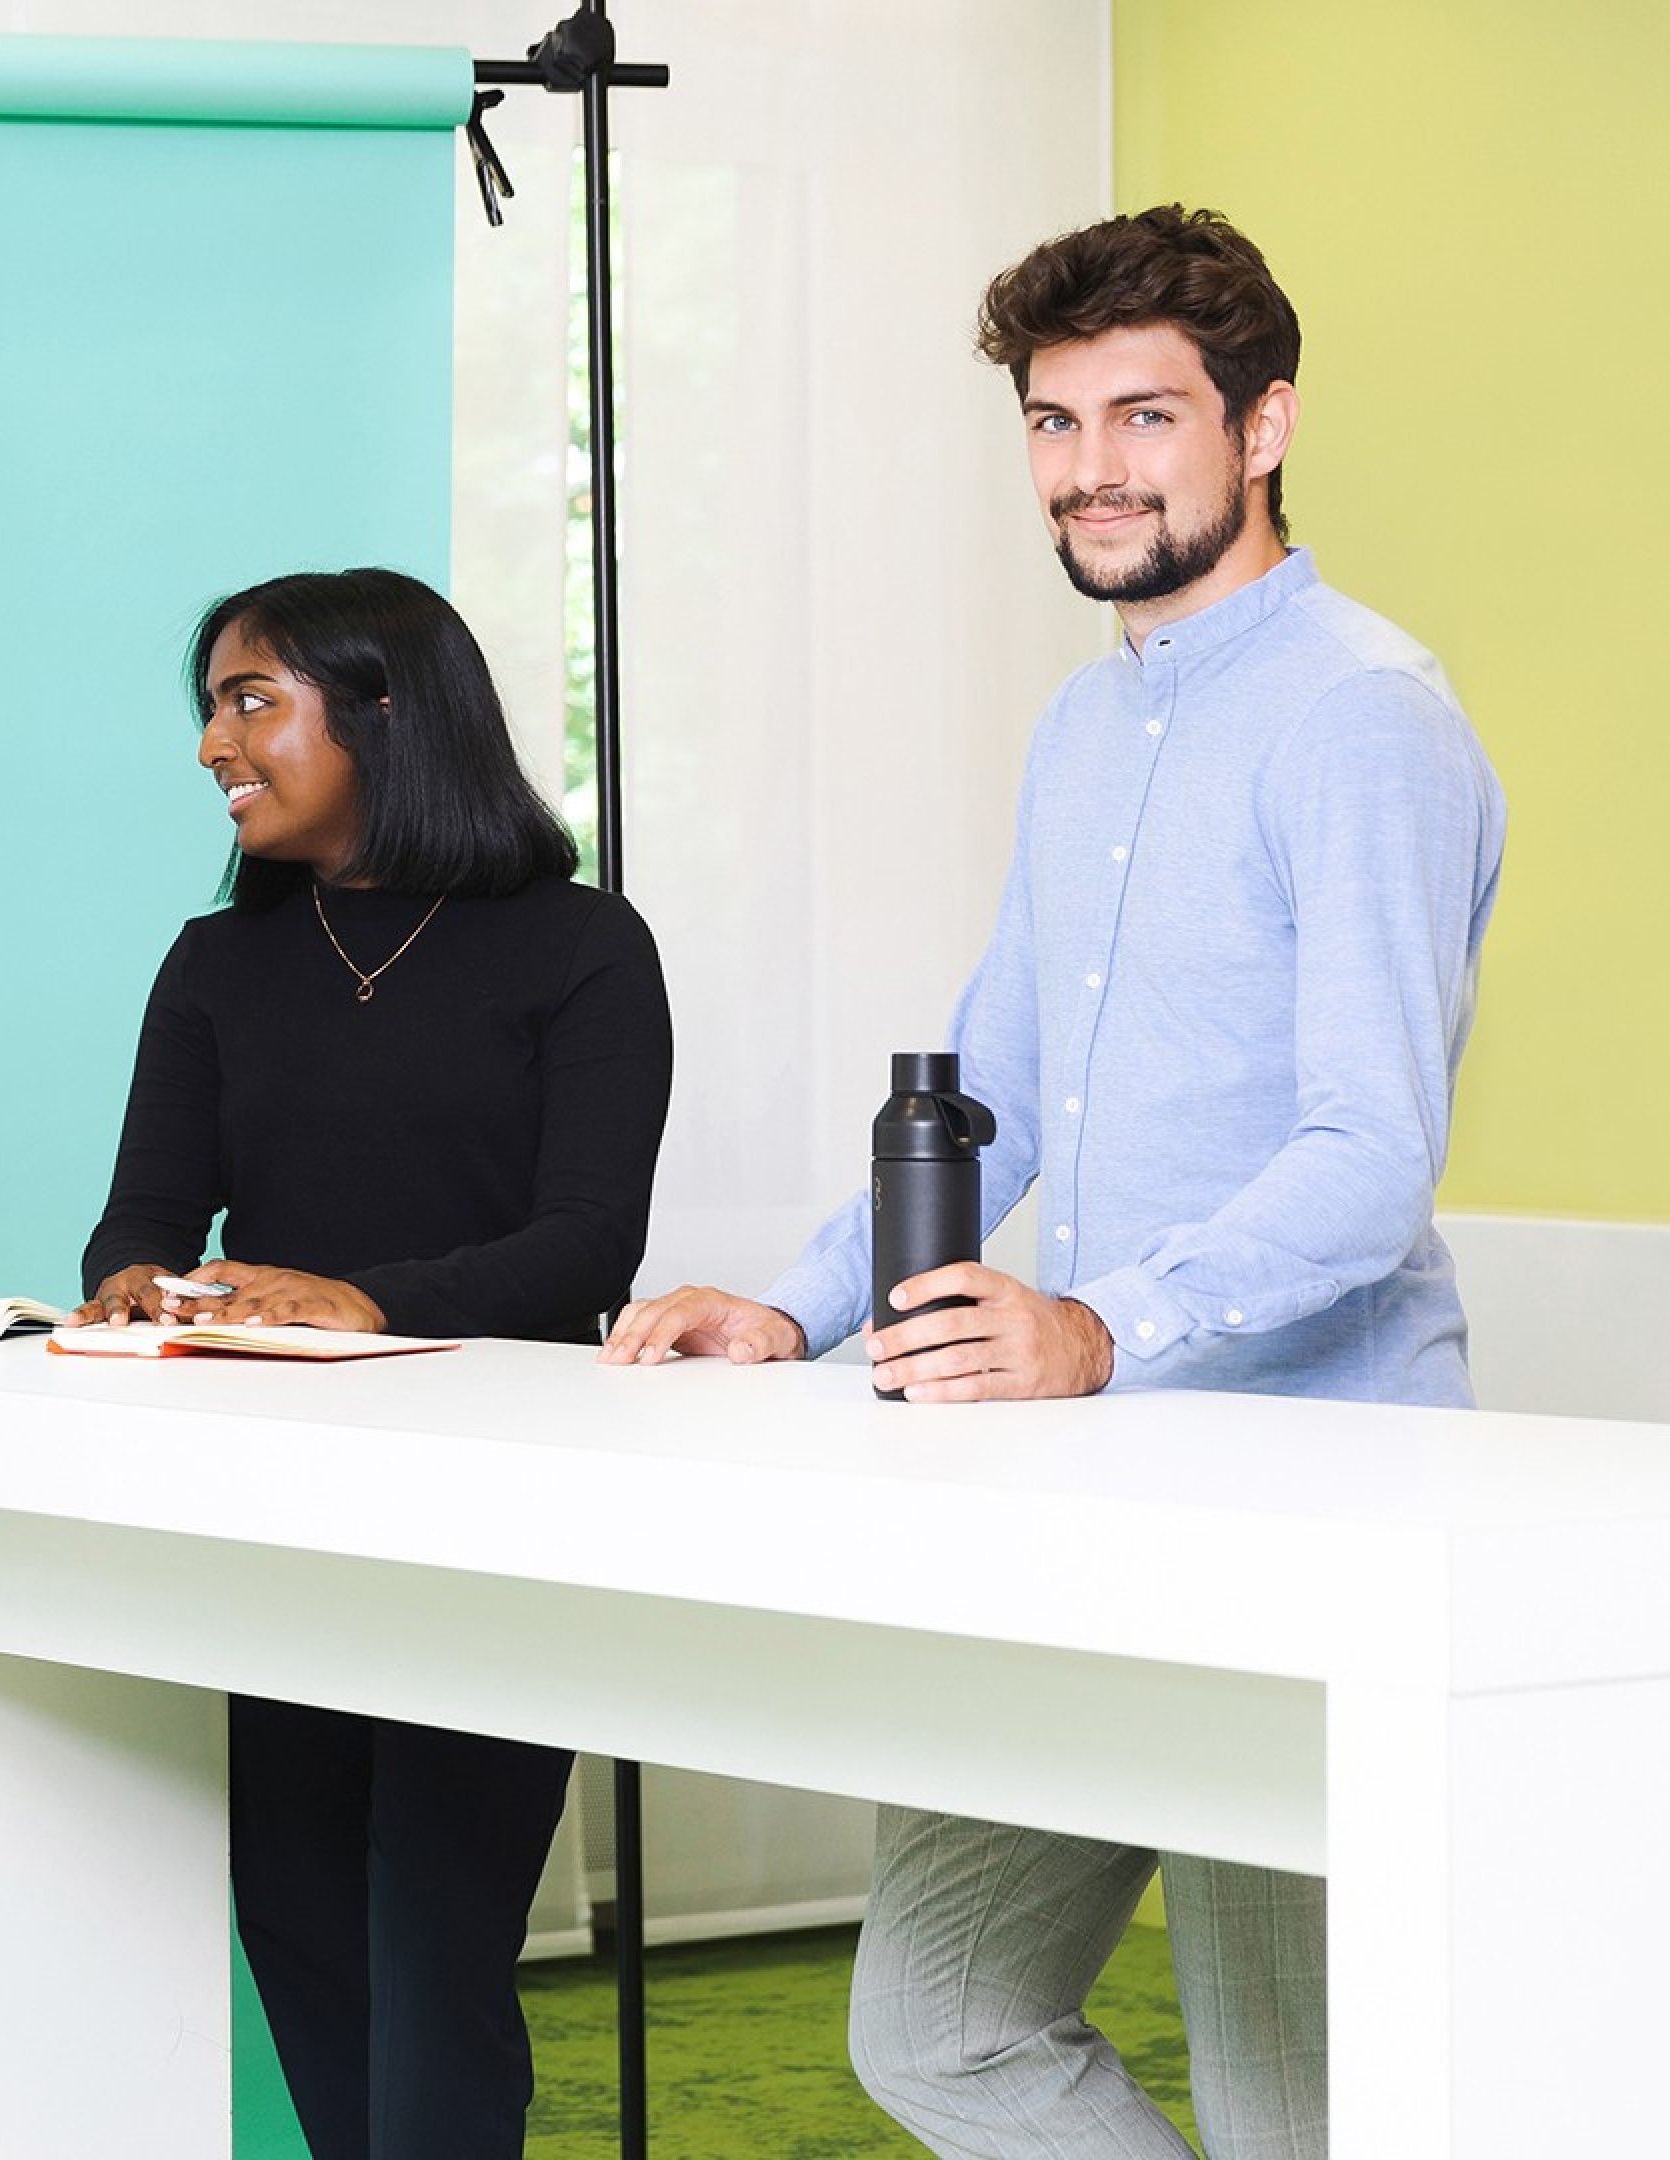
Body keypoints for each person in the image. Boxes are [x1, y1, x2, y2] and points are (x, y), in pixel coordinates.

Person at [603, 206, 1506, 2160]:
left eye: (1145, 416)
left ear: (1262, 427)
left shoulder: (1362, 717)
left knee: (1303, 2110)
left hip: (1312, 1494)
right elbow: (991, 1080)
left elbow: (1372, 1155)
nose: (1091, 467)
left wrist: (1098, 1327)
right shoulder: (1085, 729)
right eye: (1052, 420)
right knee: (936, 2019)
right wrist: (793, 1305)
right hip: (1090, 1489)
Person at [76, 567, 674, 2157]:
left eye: (251, 699)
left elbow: (586, 1247)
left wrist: (355, 1299)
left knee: (433, 1926)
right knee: (297, 1912)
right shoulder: (216, 967)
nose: (217, 742)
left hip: (503, 1506)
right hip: (274, 1502)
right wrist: (139, 1288)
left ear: (389, 712)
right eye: (210, 706)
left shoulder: (583, 948)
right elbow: (135, 1224)